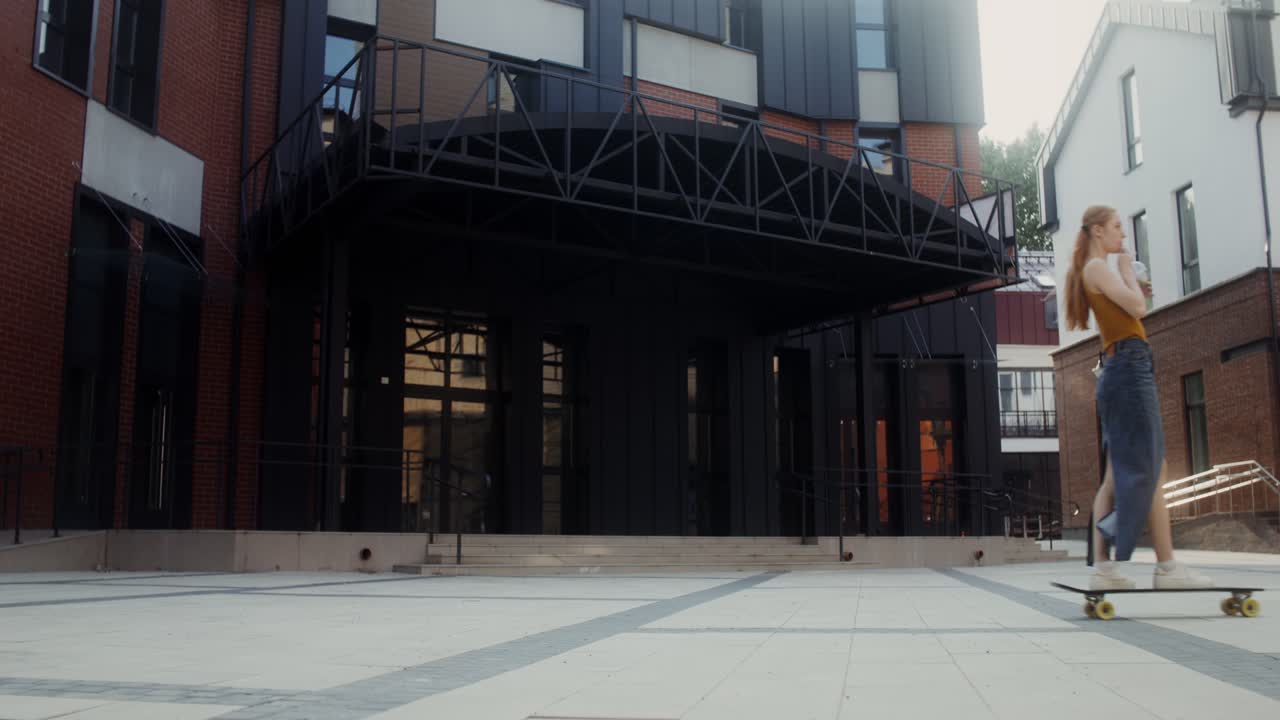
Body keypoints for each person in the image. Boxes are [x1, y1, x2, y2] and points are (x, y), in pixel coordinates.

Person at [1063, 205, 1212, 591]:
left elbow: (1130, 308)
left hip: (1122, 368)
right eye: (1117, 227)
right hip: (1129, 369)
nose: (1123, 235)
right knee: (1153, 466)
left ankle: (1104, 568)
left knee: (1117, 475)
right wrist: (1129, 273)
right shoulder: (1098, 268)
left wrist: (1130, 283)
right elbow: (1138, 308)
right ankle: (1166, 568)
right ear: (1098, 231)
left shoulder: (1094, 270)